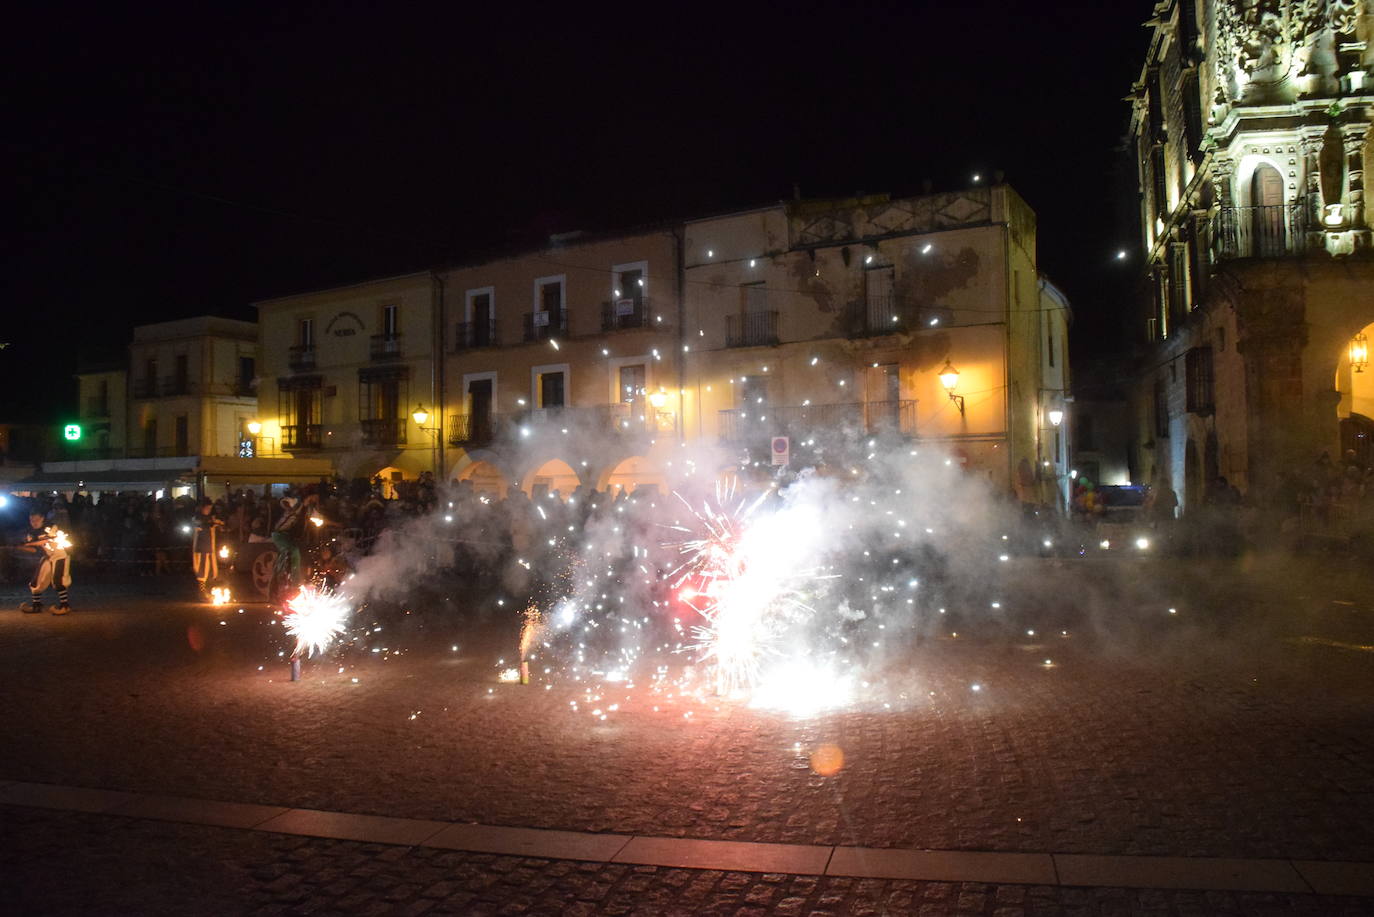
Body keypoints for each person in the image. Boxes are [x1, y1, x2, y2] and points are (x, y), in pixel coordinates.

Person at [19, 511, 72, 615]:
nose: (33, 522)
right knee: (36, 581)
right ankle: (36, 606)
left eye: (36, 519)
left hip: (59, 555)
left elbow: (45, 541)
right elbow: (34, 549)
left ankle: (65, 606)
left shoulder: (50, 527)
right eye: (31, 520)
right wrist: (20, 547)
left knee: (58, 580)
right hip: (47, 556)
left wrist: (27, 544)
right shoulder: (31, 532)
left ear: (42, 518)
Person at [190, 499, 224, 595]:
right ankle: (202, 591)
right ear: (202, 508)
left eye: (210, 508)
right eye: (207, 508)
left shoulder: (210, 518)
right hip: (201, 547)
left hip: (209, 547)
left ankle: (211, 588)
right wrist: (210, 523)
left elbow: (220, 523)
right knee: (202, 569)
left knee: (210, 568)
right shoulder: (197, 518)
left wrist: (219, 524)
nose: (208, 510)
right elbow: (199, 524)